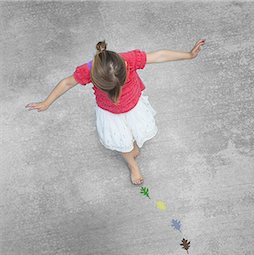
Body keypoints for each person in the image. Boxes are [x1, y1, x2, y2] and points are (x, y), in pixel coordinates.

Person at [25, 38, 206, 185]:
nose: (116, 95)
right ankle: (132, 164)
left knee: (135, 131)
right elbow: (66, 83)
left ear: (125, 68)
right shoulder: (87, 71)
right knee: (121, 141)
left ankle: (131, 151)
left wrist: (189, 55)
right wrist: (47, 102)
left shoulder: (129, 59)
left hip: (133, 106)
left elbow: (159, 55)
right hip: (110, 114)